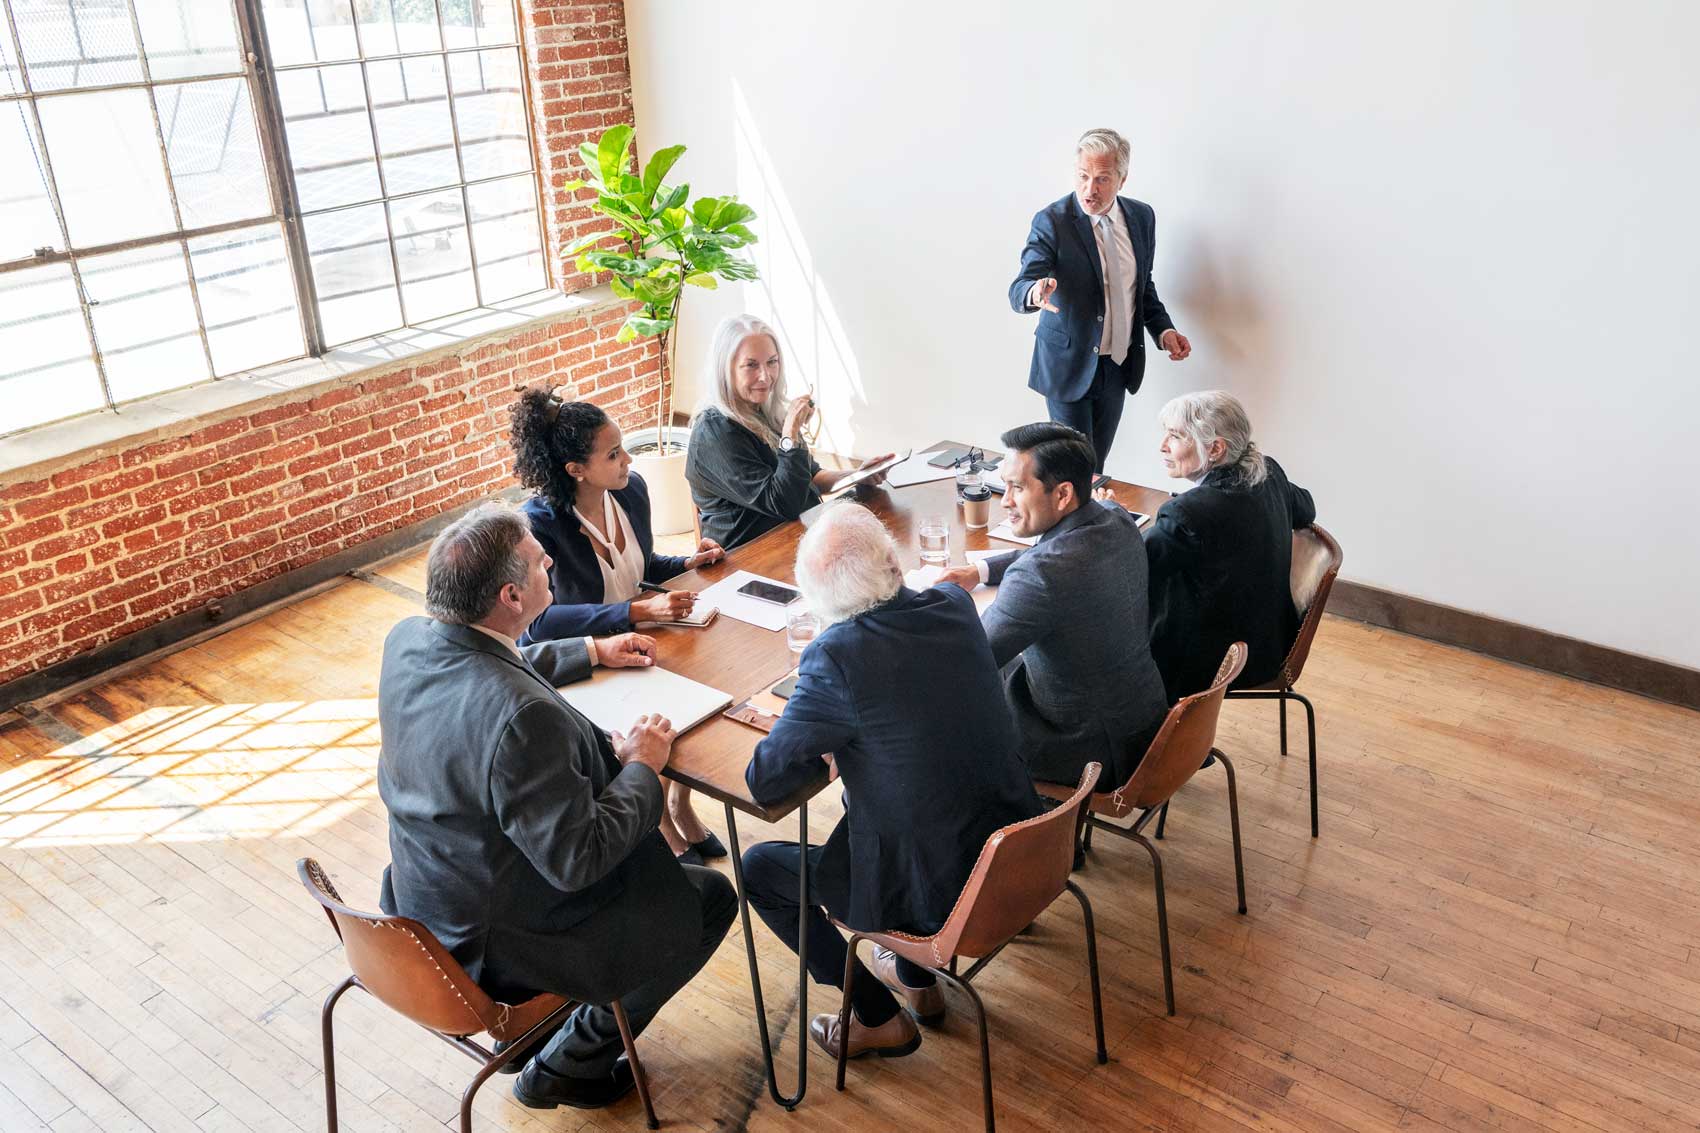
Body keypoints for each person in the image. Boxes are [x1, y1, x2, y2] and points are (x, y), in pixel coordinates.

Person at [376, 504, 736, 1112]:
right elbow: (579, 859)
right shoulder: (525, 719)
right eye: (542, 563)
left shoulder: (409, 639)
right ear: (512, 596)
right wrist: (642, 765)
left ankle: (540, 1037)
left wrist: (592, 650)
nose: (552, 565)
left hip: (425, 899)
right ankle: (567, 1064)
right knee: (706, 898)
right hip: (497, 940)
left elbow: (488, 663)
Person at [742, 504, 1040, 1058]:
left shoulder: (834, 655)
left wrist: (830, 744)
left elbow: (763, 779)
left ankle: (877, 1016)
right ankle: (915, 980)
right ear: (893, 563)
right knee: (914, 797)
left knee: (758, 868)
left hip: (940, 895)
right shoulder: (953, 605)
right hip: (1019, 856)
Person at [510, 389, 728, 865]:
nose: (628, 459)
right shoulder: (539, 526)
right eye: (613, 454)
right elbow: (539, 622)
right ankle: (663, 823)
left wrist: (685, 563)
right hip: (582, 657)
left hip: (639, 639)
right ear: (576, 470)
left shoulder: (631, 491)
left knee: (702, 696)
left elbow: (639, 566)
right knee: (662, 716)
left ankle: (679, 804)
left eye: (623, 447)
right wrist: (636, 612)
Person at [938, 423, 1167, 788]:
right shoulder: (1116, 518)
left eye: (1017, 487)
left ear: (1062, 494)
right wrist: (979, 570)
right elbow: (1055, 552)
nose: (1005, 501)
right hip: (1143, 721)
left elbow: (970, 660)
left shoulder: (1041, 575)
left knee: (942, 706)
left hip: (1086, 751)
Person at [1008, 128, 1192, 471]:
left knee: (1095, 466)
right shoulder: (1052, 220)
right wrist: (1035, 291)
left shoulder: (1142, 217)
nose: (1089, 189)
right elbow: (1021, 285)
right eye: (1083, 176)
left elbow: (1142, 287)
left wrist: (1164, 331)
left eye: (1102, 179)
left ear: (1122, 179)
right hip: (1068, 364)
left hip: (1117, 365)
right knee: (1075, 470)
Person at [1138, 391, 1316, 701]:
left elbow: (1133, 567)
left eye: (1175, 436)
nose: (1163, 446)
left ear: (1215, 449)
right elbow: (1306, 508)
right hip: (1270, 644)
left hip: (1212, 663)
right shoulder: (1269, 473)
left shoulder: (1188, 513)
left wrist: (1110, 517)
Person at [685, 313, 894, 549]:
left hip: (796, 537)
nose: (765, 376)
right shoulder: (714, 431)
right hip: (751, 555)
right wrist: (790, 433)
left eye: (772, 362)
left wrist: (857, 475)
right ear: (725, 369)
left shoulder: (764, 409)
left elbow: (811, 477)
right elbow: (785, 504)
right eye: (751, 365)